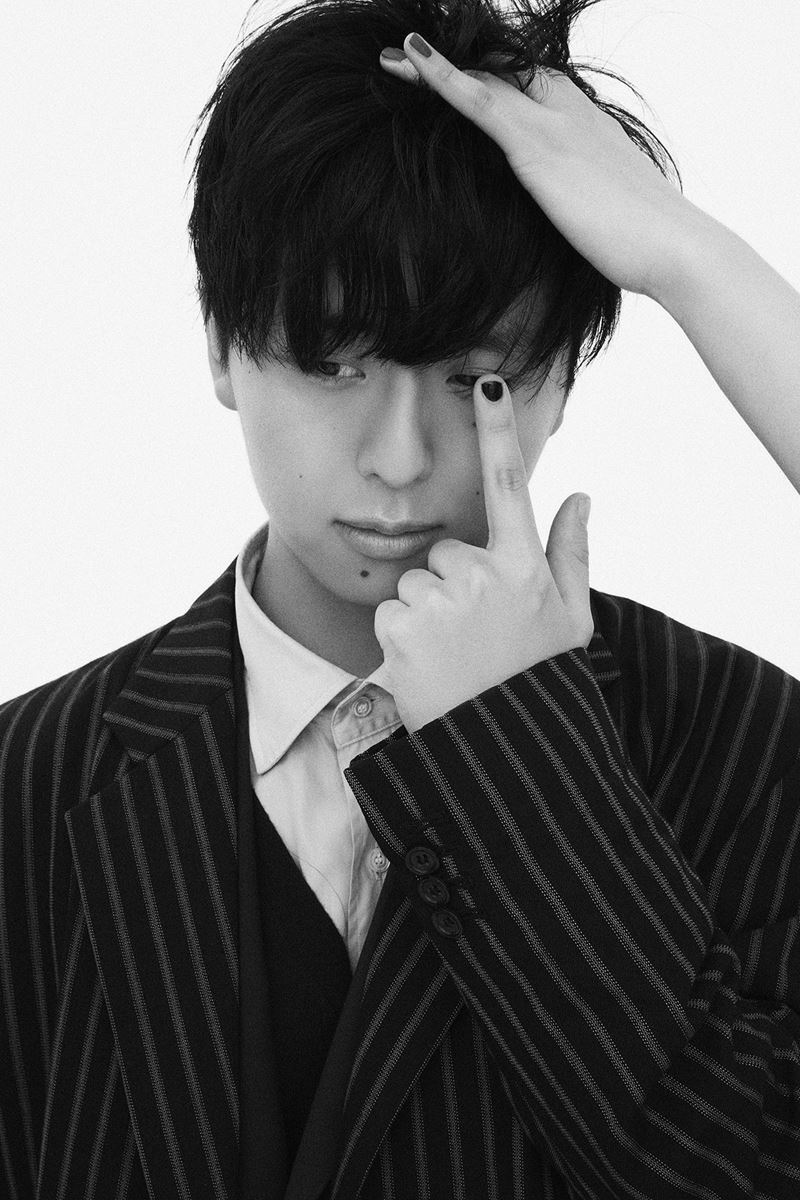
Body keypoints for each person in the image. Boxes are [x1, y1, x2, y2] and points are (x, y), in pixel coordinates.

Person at [2, 0, 799, 1196]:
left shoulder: (742, 748)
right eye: (331, 363)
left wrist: (688, 259)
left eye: (476, 377)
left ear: (563, 375)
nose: (397, 459)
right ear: (219, 343)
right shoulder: (29, 784)